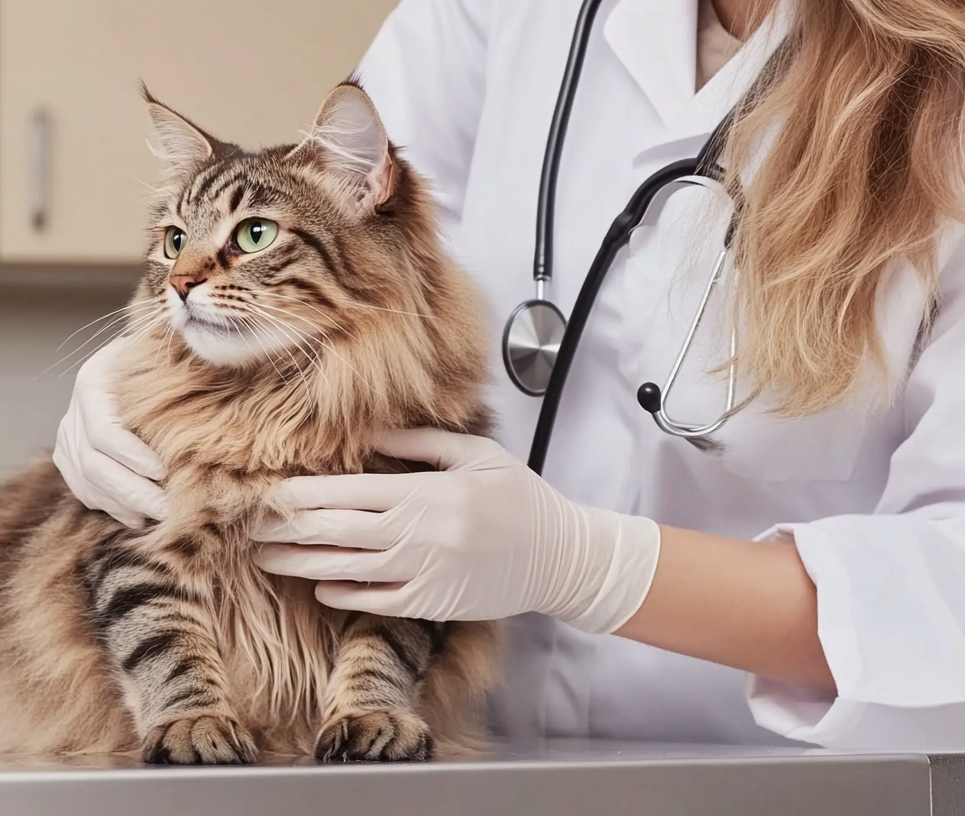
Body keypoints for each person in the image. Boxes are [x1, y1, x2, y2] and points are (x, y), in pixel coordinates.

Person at [53, 0, 965, 751]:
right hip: (479, 747)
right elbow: (333, 209)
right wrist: (154, 360)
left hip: (784, 776)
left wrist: (590, 566)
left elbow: (950, 587)